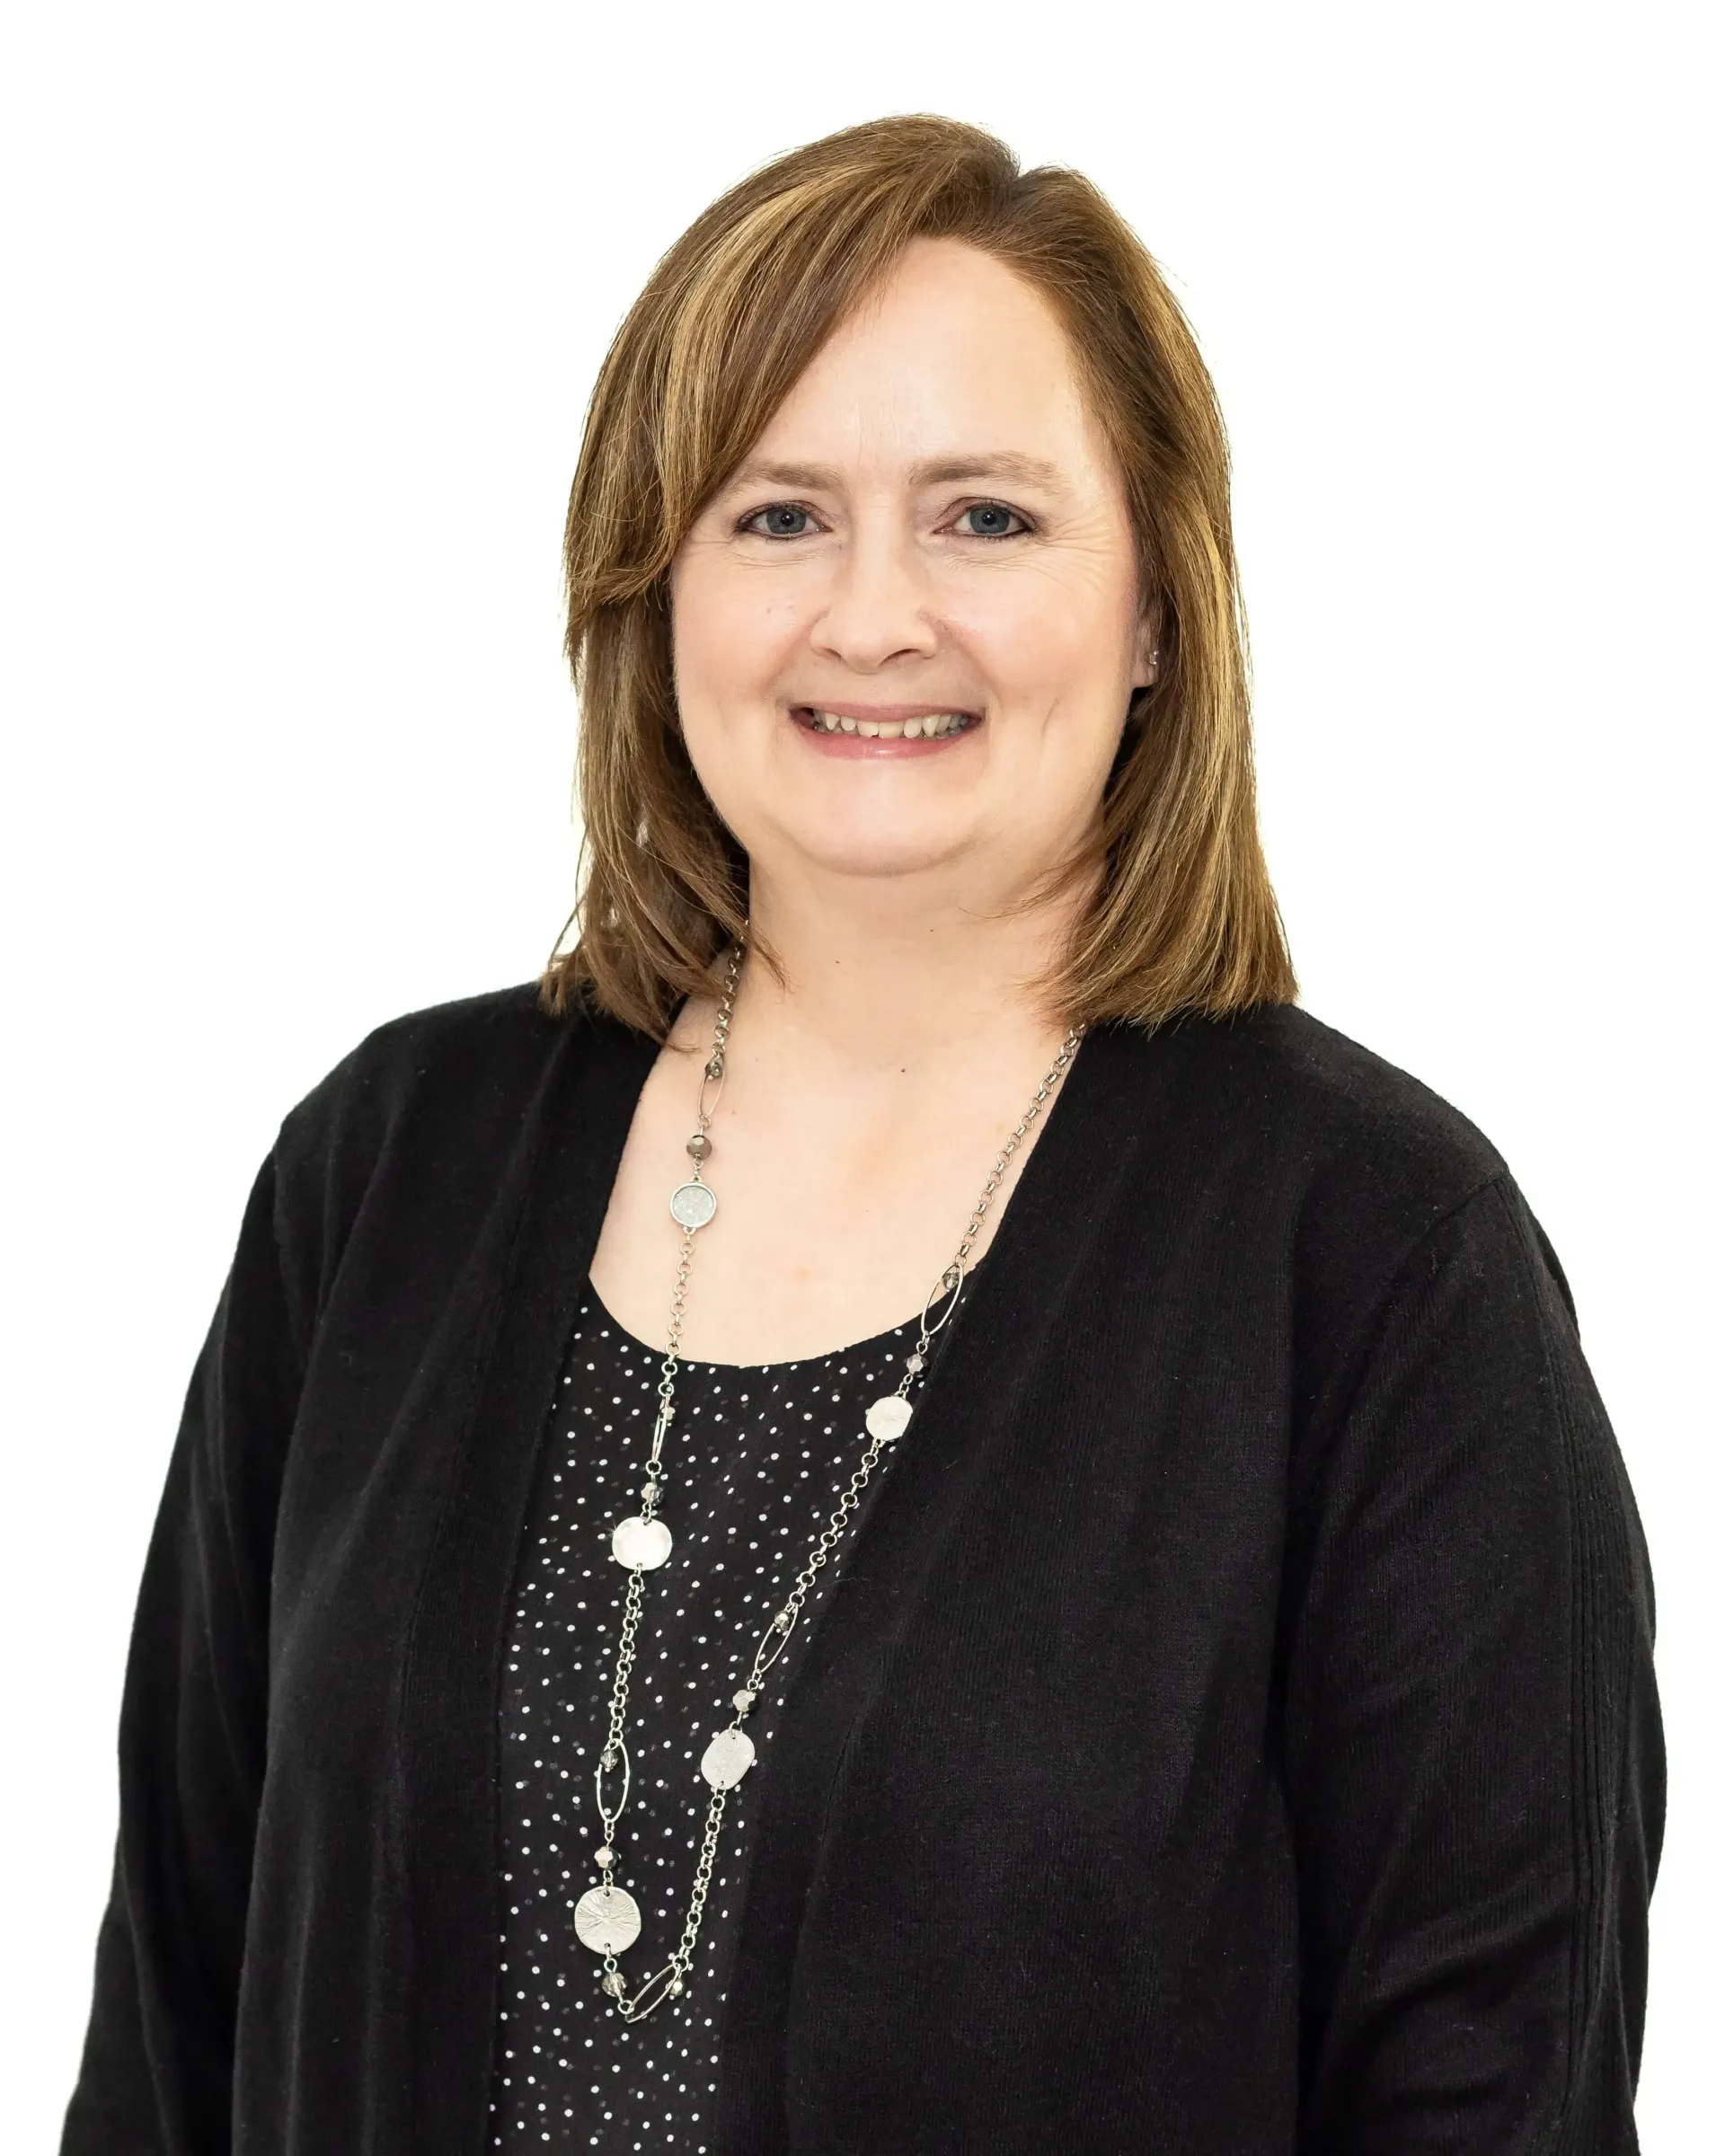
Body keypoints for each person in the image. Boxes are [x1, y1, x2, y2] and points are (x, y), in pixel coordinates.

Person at [60, 114, 1663, 2153]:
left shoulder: (1377, 1261)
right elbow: (173, 2015)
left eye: (984, 519)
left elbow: (1488, 2094)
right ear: (653, 591)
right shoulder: (387, 1167)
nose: (874, 616)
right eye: (777, 516)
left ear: (1161, 606)